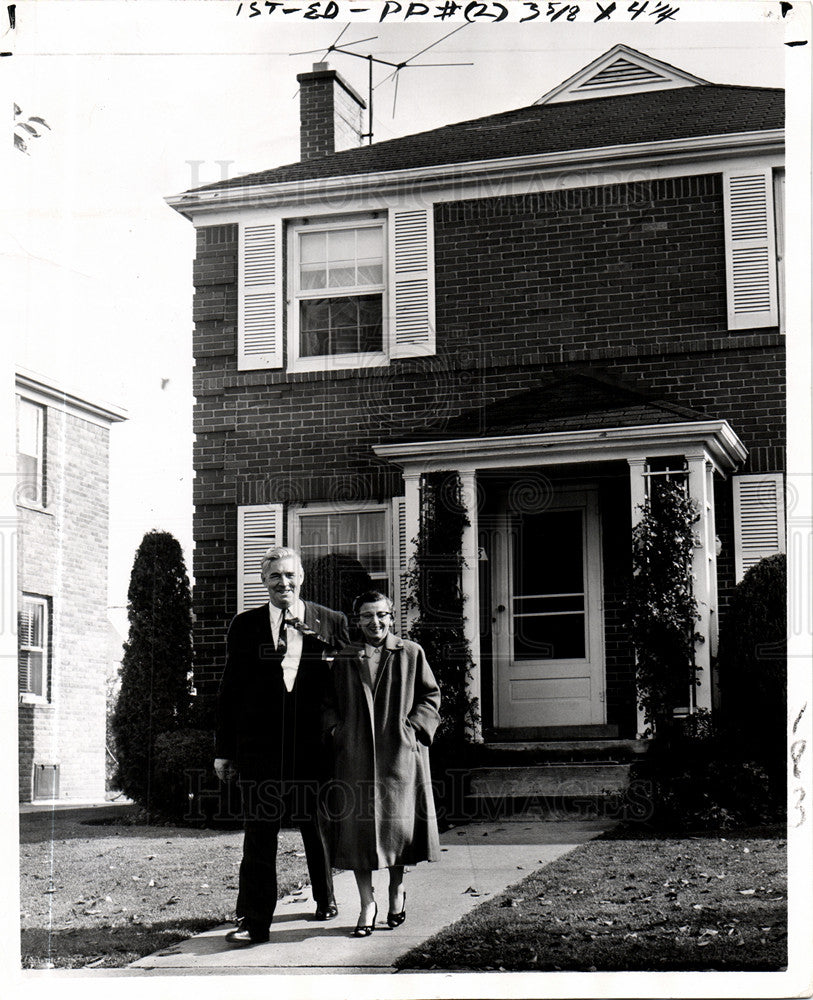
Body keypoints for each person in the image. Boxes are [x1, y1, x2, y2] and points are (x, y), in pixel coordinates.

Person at [214, 546, 349, 946]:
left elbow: (348, 683)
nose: (283, 583)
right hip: (260, 750)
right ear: (264, 582)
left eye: (289, 575)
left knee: (317, 826)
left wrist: (343, 736)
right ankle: (255, 922)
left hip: (314, 748)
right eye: (275, 577)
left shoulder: (332, 622)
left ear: (301, 577)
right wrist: (224, 749)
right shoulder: (245, 626)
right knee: (259, 835)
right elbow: (230, 692)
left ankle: (326, 898)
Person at [323, 590, 441, 937]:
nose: (374, 623)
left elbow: (430, 697)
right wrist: (337, 732)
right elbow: (327, 703)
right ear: (357, 620)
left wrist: (413, 729)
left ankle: (396, 890)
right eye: (366, 616)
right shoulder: (344, 657)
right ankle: (366, 903)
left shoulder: (410, 653)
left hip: (400, 755)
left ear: (391, 617)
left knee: (397, 829)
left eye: (381, 615)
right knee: (359, 832)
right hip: (355, 756)